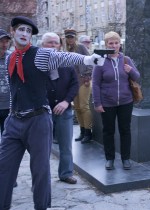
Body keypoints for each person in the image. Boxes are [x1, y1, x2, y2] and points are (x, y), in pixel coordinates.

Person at [0, 16, 103, 210]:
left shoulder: (40, 54)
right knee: (4, 169)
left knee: (40, 170)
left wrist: (88, 58)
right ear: (12, 31)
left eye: (28, 31)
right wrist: (10, 116)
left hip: (38, 120)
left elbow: (63, 57)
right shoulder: (9, 58)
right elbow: (14, 88)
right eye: (21, 29)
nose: (24, 34)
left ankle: (42, 207)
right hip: (14, 121)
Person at [92, 31, 140, 170]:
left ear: (120, 44)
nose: (114, 45)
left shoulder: (126, 59)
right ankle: (110, 159)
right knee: (108, 131)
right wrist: (97, 103)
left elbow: (137, 77)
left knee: (125, 130)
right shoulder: (100, 62)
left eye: (116, 43)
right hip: (107, 103)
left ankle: (126, 158)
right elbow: (95, 84)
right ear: (106, 45)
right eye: (110, 43)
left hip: (126, 101)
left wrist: (130, 70)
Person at [42, 32, 79, 185]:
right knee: (42, 147)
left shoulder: (67, 62)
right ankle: (42, 177)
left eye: (55, 43)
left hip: (64, 110)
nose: (53, 45)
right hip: (43, 111)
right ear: (43, 45)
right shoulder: (37, 63)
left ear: (60, 45)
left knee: (66, 146)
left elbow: (74, 84)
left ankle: (66, 173)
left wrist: (66, 101)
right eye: (49, 42)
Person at [64, 29, 93, 144]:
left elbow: (90, 61)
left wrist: (88, 76)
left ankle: (88, 132)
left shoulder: (80, 47)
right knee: (77, 108)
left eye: (72, 37)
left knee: (84, 106)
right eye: (68, 37)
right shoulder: (65, 49)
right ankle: (82, 131)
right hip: (72, 83)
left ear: (75, 37)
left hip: (83, 80)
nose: (70, 39)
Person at [0, 29, 11, 136]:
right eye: (1, 41)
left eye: (6, 41)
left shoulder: (12, 57)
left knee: (7, 139)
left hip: (9, 106)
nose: (4, 44)